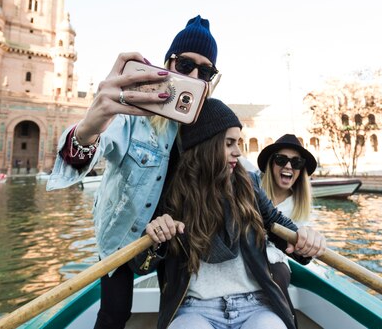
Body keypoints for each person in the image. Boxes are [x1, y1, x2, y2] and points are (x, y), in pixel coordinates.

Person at [47, 15, 220, 329]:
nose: (194, 76)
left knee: (176, 310)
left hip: (174, 235)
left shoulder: (209, 125)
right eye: (185, 66)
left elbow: (232, 169)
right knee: (115, 312)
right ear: (167, 64)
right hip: (122, 233)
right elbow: (86, 152)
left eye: (205, 71)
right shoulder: (133, 113)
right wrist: (88, 128)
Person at [136, 98, 327, 329]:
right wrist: (156, 237)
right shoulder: (170, 191)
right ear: (206, 145)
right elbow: (142, 265)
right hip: (194, 309)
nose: (238, 152)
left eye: (238, 142)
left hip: (256, 304)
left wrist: (307, 239)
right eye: (229, 143)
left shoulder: (249, 184)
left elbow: (281, 226)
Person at [256, 134, 318, 309]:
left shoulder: (299, 207)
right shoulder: (252, 187)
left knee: (277, 275)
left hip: (275, 262)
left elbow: (294, 250)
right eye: (281, 159)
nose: (288, 166)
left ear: (301, 170)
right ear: (271, 164)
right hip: (244, 254)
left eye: (296, 162)